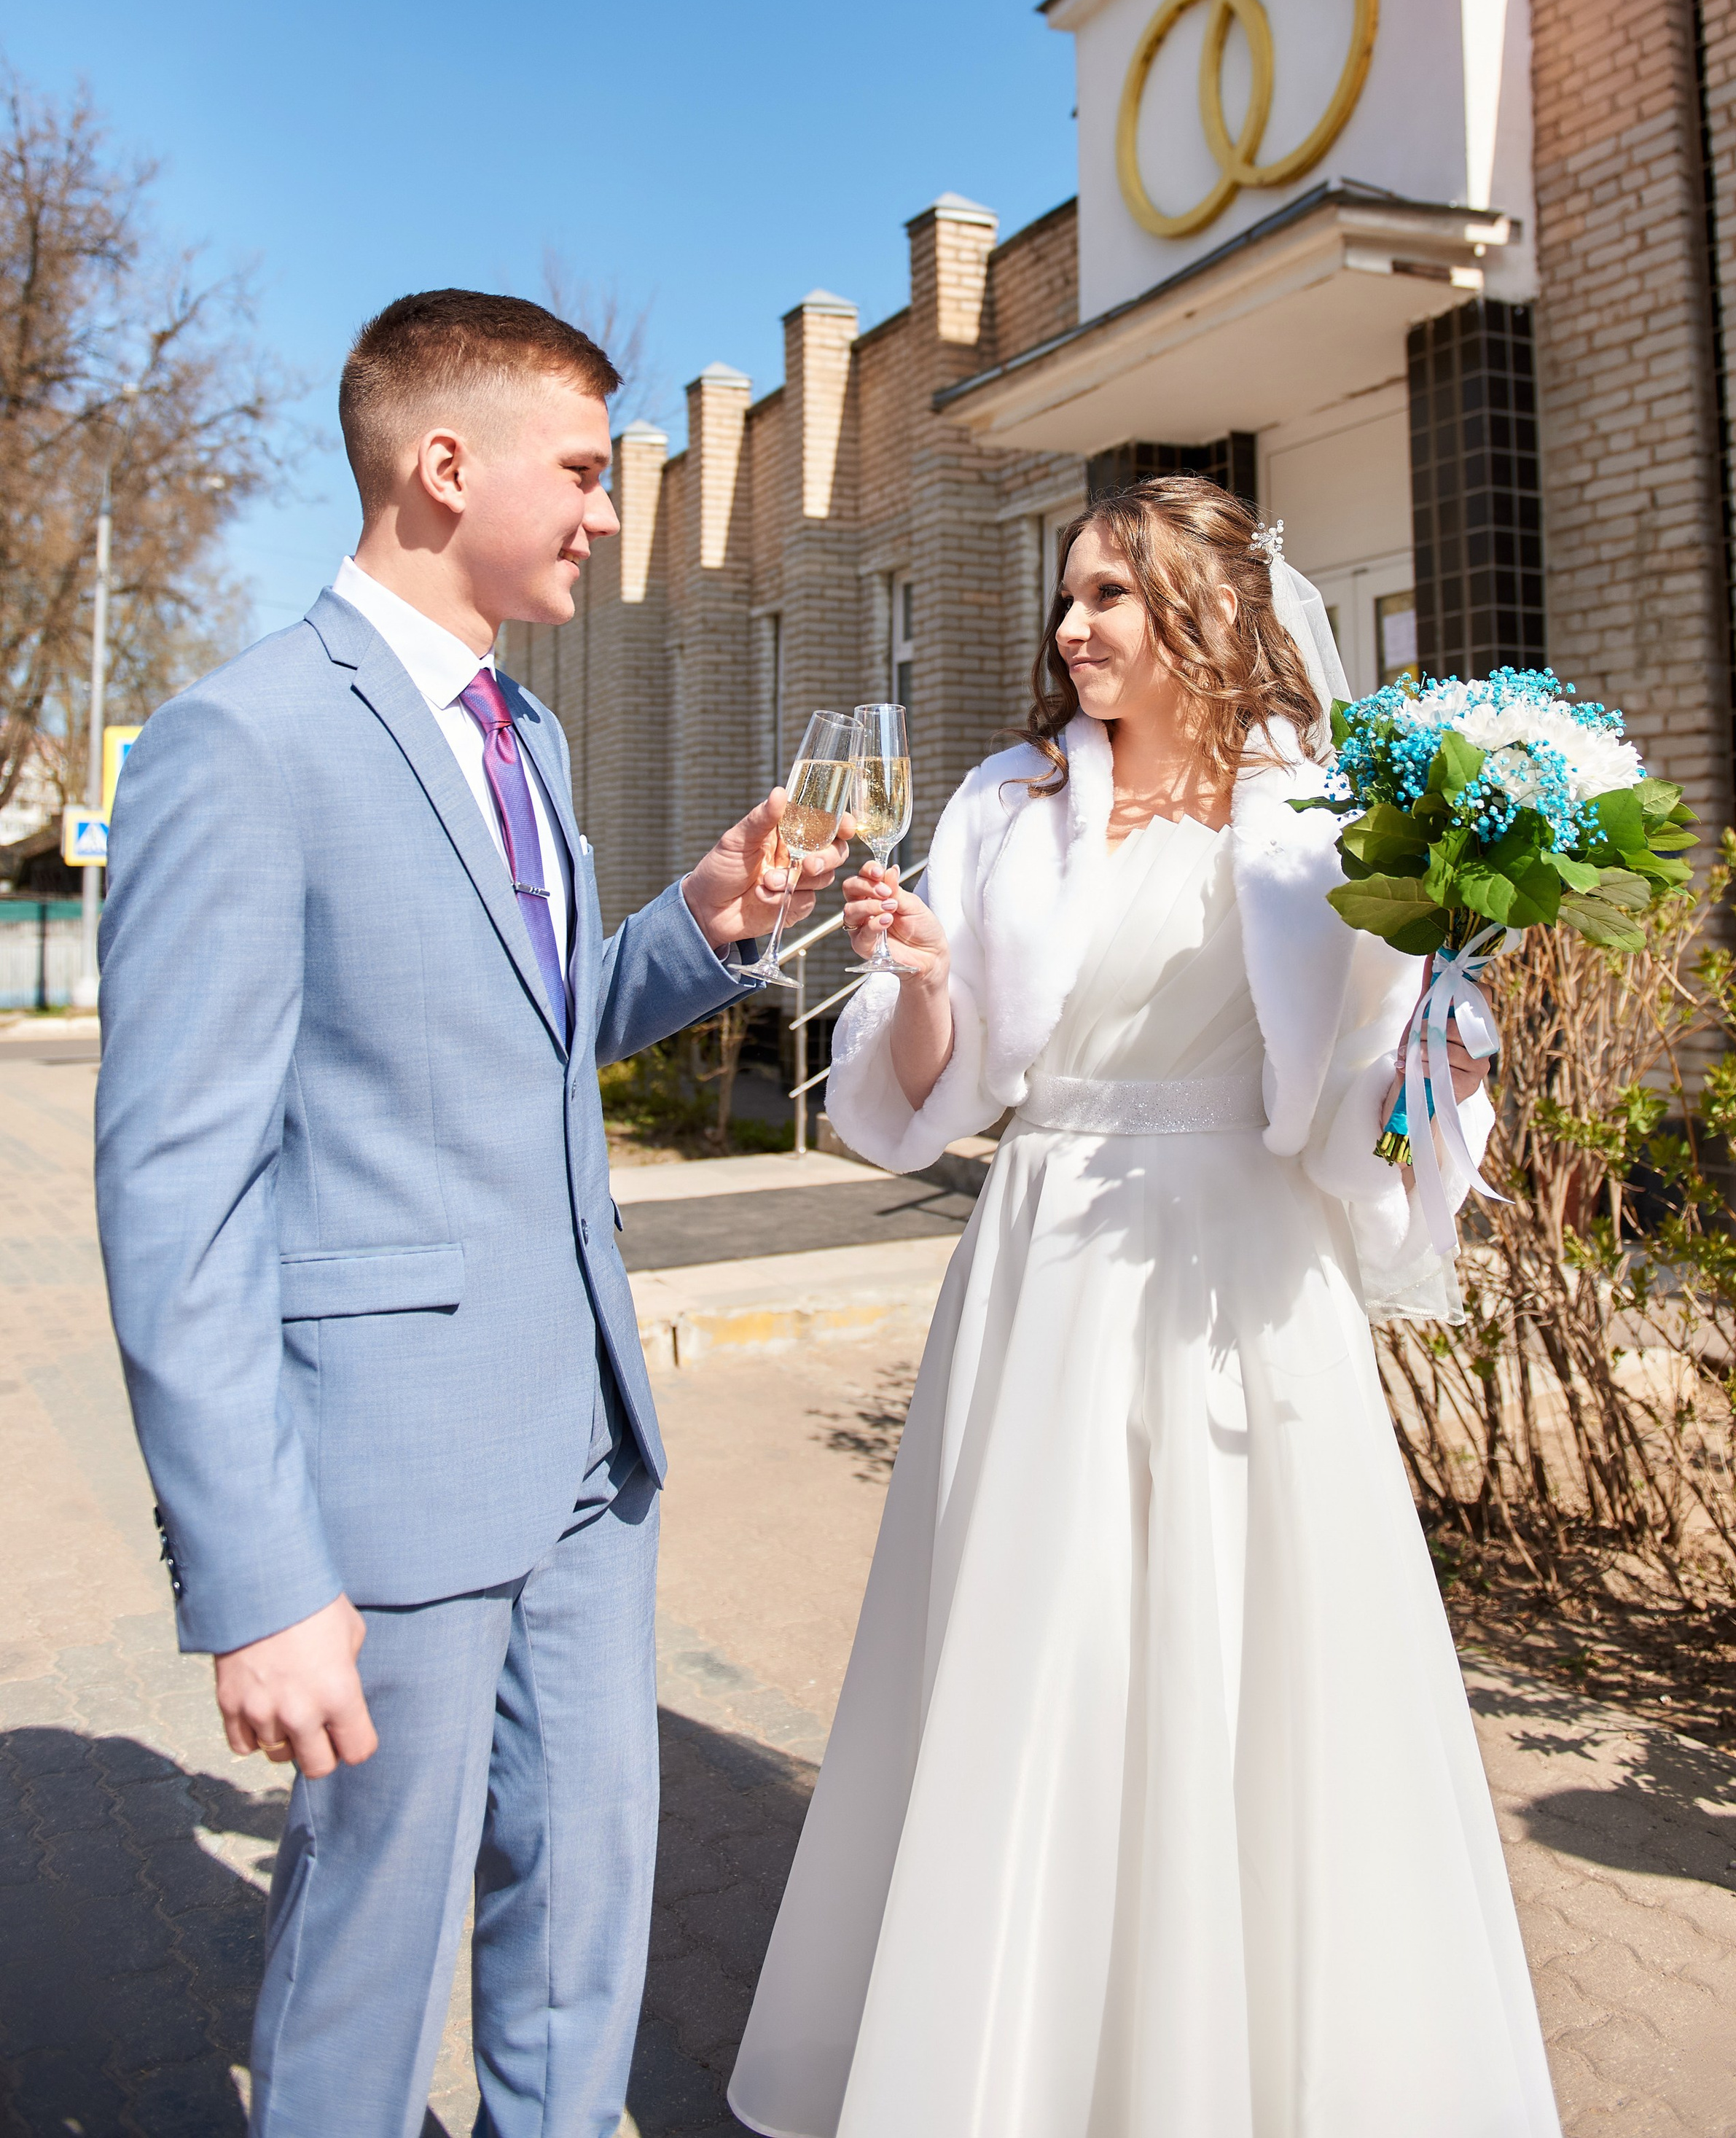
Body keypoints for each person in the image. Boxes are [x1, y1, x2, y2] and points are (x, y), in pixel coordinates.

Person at [95, 290, 843, 2138]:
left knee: (587, 1902)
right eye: (582, 473)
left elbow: (538, 1025)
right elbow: (175, 1190)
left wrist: (699, 922)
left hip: (585, 1446)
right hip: (389, 1481)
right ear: (446, 467)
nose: (603, 512)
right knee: (369, 1941)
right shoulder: (241, 744)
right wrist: (258, 1579)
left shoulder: (530, 737)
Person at [729, 477, 1560, 2138]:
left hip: (1247, 1266)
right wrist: (918, 977)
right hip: (1046, 1252)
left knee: (1256, 1656)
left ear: (1204, 610)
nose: (1070, 625)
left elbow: (1353, 1103)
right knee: (1038, 1649)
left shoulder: (1321, 816)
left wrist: (1443, 1056)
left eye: (1109, 592)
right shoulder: (1001, 797)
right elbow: (935, 1097)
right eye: (1067, 594)